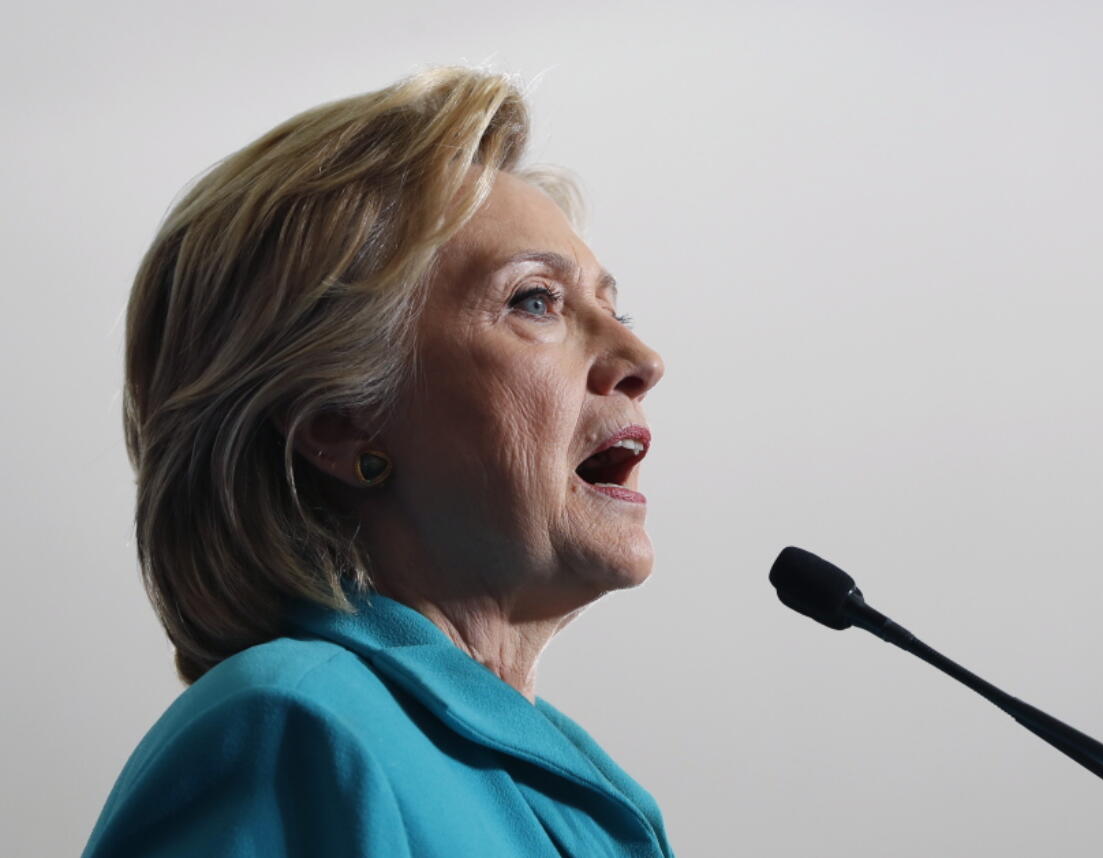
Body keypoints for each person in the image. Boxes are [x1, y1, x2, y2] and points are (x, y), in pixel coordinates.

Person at [83, 66, 673, 857]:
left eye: (614, 307)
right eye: (535, 300)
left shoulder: (564, 788)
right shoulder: (290, 733)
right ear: (339, 423)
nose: (641, 357)